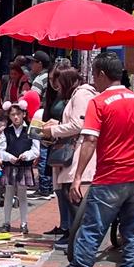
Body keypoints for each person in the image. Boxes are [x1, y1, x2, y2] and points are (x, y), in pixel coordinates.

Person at [42, 52, 134, 267]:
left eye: (95, 75)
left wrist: (77, 177)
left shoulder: (100, 102)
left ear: (103, 75)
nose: (93, 80)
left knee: (92, 231)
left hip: (110, 178)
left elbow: (90, 140)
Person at [41, 67, 97, 250]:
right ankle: (74, 238)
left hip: (76, 152)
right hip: (70, 151)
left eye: (58, 84)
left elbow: (78, 124)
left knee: (74, 196)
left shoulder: (81, 95)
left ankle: (79, 243)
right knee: (68, 193)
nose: (56, 88)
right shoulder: (77, 95)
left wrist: (53, 130)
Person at [0, 100, 40, 234]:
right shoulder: (6, 132)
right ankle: (6, 222)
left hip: (24, 166)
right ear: (9, 116)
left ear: (24, 114)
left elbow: (36, 150)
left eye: (18, 114)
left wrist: (27, 155)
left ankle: (24, 223)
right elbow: (0, 150)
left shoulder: (31, 130)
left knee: (23, 195)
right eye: (12, 114)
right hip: (10, 165)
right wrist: (9, 157)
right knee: (8, 194)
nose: (15, 117)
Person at [26, 51, 53, 201]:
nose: (31, 65)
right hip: (53, 119)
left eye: (33, 62)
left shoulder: (39, 79)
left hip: (40, 118)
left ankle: (43, 188)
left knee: (42, 151)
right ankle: (49, 186)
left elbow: (32, 98)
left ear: (40, 64)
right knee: (49, 151)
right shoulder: (53, 77)